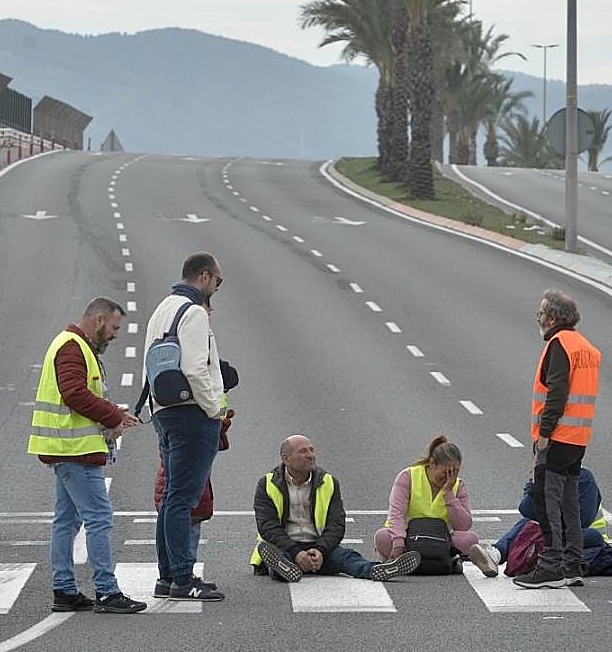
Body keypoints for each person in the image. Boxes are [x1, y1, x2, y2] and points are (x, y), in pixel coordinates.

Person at [27, 297, 145, 614]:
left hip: (66, 448)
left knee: (66, 521)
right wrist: (113, 417)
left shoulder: (74, 345)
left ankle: (65, 590)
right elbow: (74, 393)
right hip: (75, 450)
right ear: (98, 320)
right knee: (99, 519)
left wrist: (112, 413)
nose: (116, 335)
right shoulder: (72, 347)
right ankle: (107, 591)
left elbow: (77, 395)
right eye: (115, 327)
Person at [144, 253, 227, 602]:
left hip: (165, 410)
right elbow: (195, 369)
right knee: (182, 498)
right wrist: (214, 411)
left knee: (171, 498)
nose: (217, 289)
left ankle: (166, 577)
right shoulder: (192, 313)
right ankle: (182, 577)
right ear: (205, 276)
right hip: (192, 413)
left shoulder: (163, 307)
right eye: (218, 282)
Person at [514, 290, 602, 590]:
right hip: (578, 437)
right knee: (569, 503)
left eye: (541, 313)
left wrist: (544, 436)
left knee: (546, 500)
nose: (538, 317)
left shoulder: (559, 345)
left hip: (557, 435)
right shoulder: (585, 346)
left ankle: (550, 565)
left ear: (552, 317)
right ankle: (572, 565)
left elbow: (556, 394)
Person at [252, 435, 420, 582]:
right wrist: (296, 552)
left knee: (347, 558)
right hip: (286, 547)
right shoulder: (267, 484)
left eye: (312, 450)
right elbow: (267, 526)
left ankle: (378, 570)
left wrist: (320, 550)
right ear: (286, 458)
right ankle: (282, 568)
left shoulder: (329, 482)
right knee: (280, 558)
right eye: (303, 451)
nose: (311, 455)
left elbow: (337, 524)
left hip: (318, 546)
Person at [374, 435, 498, 576]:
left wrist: (448, 493)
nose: (449, 478)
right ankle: (400, 561)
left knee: (470, 539)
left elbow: (463, 526)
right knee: (382, 536)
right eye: (445, 472)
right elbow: (396, 515)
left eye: (454, 472)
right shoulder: (407, 477)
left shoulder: (457, 485)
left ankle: (441, 561)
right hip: (410, 538)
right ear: (432, 464)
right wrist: (398, 544)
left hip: (440, 540)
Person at [493, 467, 606, 564]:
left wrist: (551, 522)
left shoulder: (584, 478)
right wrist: (537, 486)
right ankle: (497, 553)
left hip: (583, 536)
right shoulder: (540, 477)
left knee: (593, 535)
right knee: (527, 522)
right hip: (555, 534)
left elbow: (583, 521)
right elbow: (527, 511)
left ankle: (535, 553)